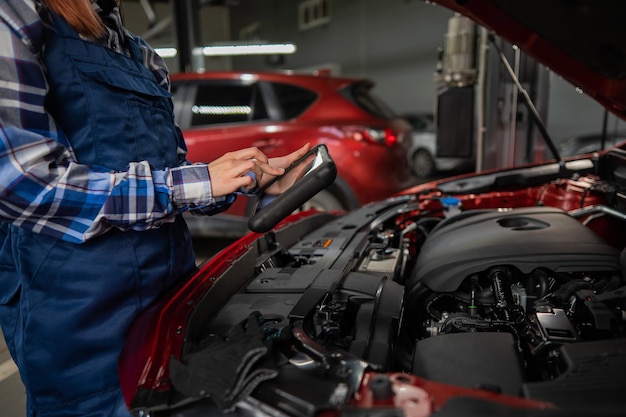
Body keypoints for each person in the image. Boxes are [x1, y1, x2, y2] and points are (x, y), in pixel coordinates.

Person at [0, 0, 309, 416]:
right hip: (83, 318)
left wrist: (246, 180)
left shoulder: (139, 53)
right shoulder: (16, 16)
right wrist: (194, 183)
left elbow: (167, 176)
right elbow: (20, 181)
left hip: (173, 298)